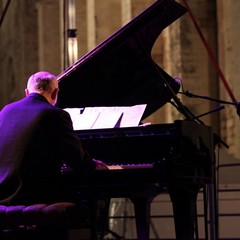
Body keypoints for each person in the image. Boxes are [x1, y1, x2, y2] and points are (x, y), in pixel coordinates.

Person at [0, 71, 108, 205]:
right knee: (92, 199)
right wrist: (93, 165)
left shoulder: (5, 111)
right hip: (35, 196)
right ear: (55, 93)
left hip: (4, 194)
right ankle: (91, 226)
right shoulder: (55, 115)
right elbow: (76, 159)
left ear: (27, 92)